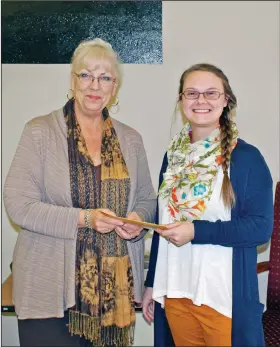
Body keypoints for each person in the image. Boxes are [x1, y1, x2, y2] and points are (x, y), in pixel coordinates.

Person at [4, 38, 157, 347]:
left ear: (114, 88)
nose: (94, 85)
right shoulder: (40, 131)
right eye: (85, 75)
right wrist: (85, 218)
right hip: (48, 288)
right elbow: (19, 205)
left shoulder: (131, 139)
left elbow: (147, 200)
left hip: (113, 295)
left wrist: (137, 219)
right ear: (72, 81)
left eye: (104, 77)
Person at [142, 63, 274, 347]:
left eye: (211, 93)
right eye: (192, 93)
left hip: (222, 298)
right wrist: (152, 282)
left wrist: (196, 231)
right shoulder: (174, 157)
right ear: (181, 101)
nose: (201, 100)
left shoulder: (246, 158)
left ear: (226, 100)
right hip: (175, 291)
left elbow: (260, 229)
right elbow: (161, 225)